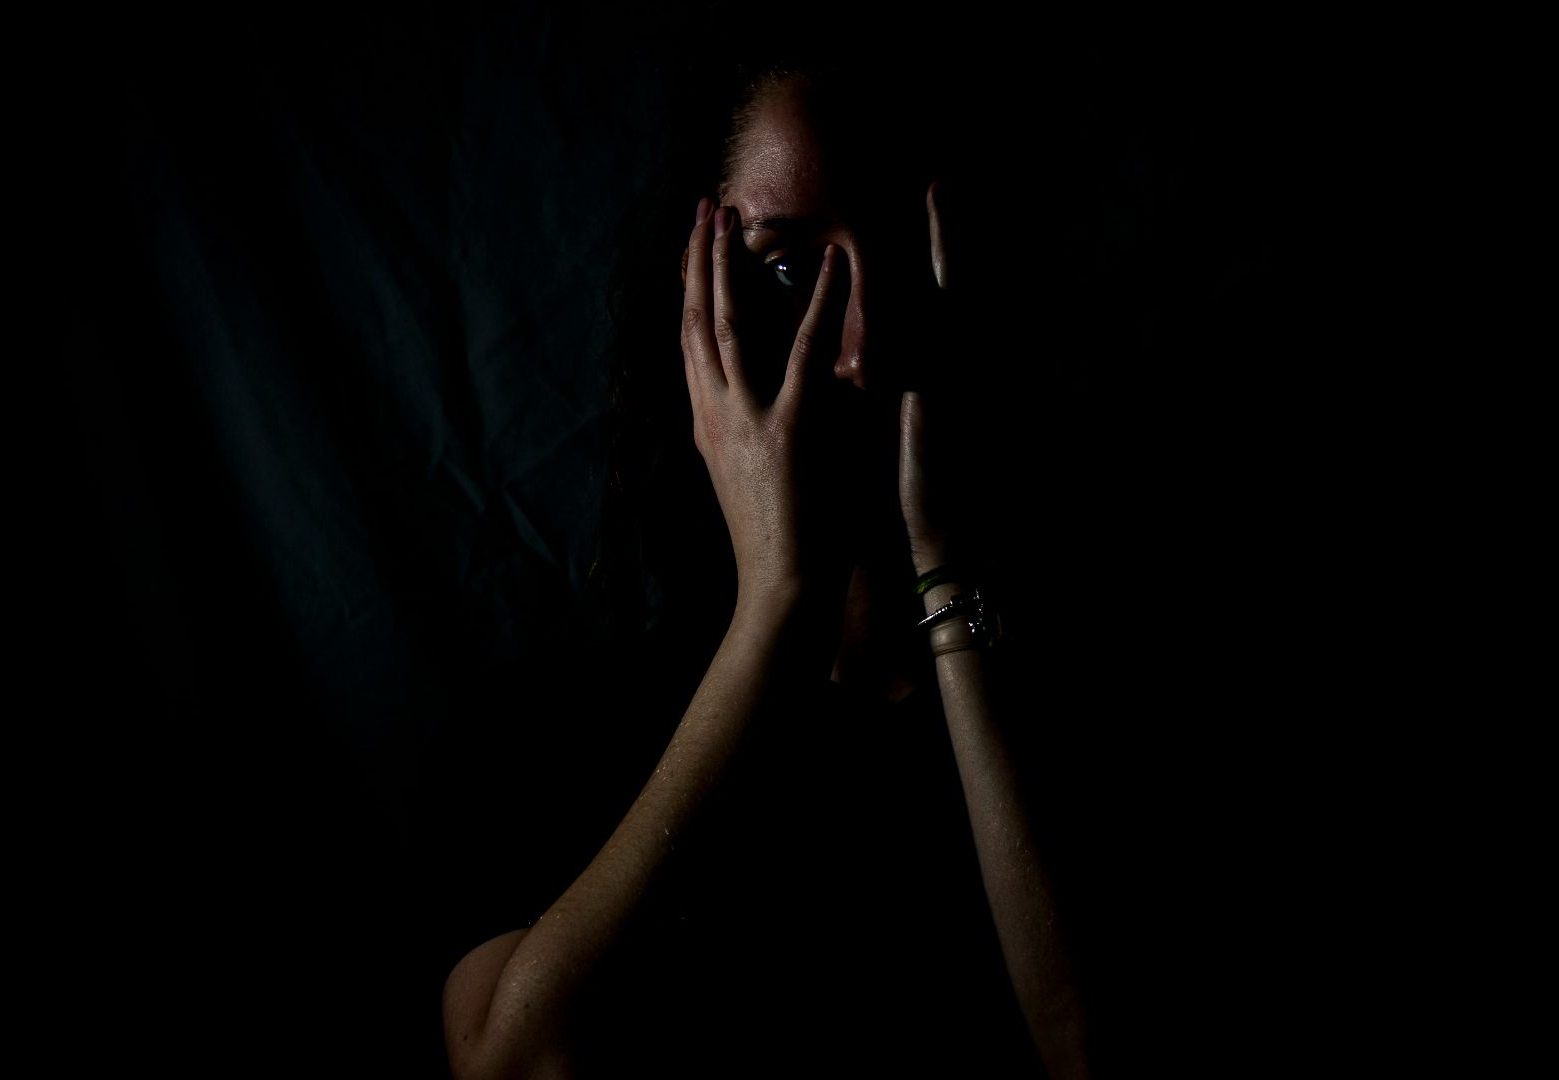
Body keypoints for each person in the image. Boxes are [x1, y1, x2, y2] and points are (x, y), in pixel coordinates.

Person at [441, 52, 1091, 1078]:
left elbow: (1088, 1047)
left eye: (903, 265)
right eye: (790, 270)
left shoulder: (1089, 688)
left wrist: (942, 556)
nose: (859, 351)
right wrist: (776, 611)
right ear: (695, 305)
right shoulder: (572, 726)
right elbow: (509, 1058)